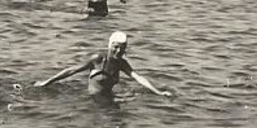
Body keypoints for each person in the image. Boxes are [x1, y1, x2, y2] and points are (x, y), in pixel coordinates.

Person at [34, 31, 171, 98]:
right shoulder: (98, 59)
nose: (118, 51)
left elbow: (138, 78)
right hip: (92, 100)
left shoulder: (121, 64)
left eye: (122, 48)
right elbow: (71, 71)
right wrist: (47, 82)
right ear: (110, 46)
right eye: (116, 47)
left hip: (108, 98)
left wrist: (159, 92)